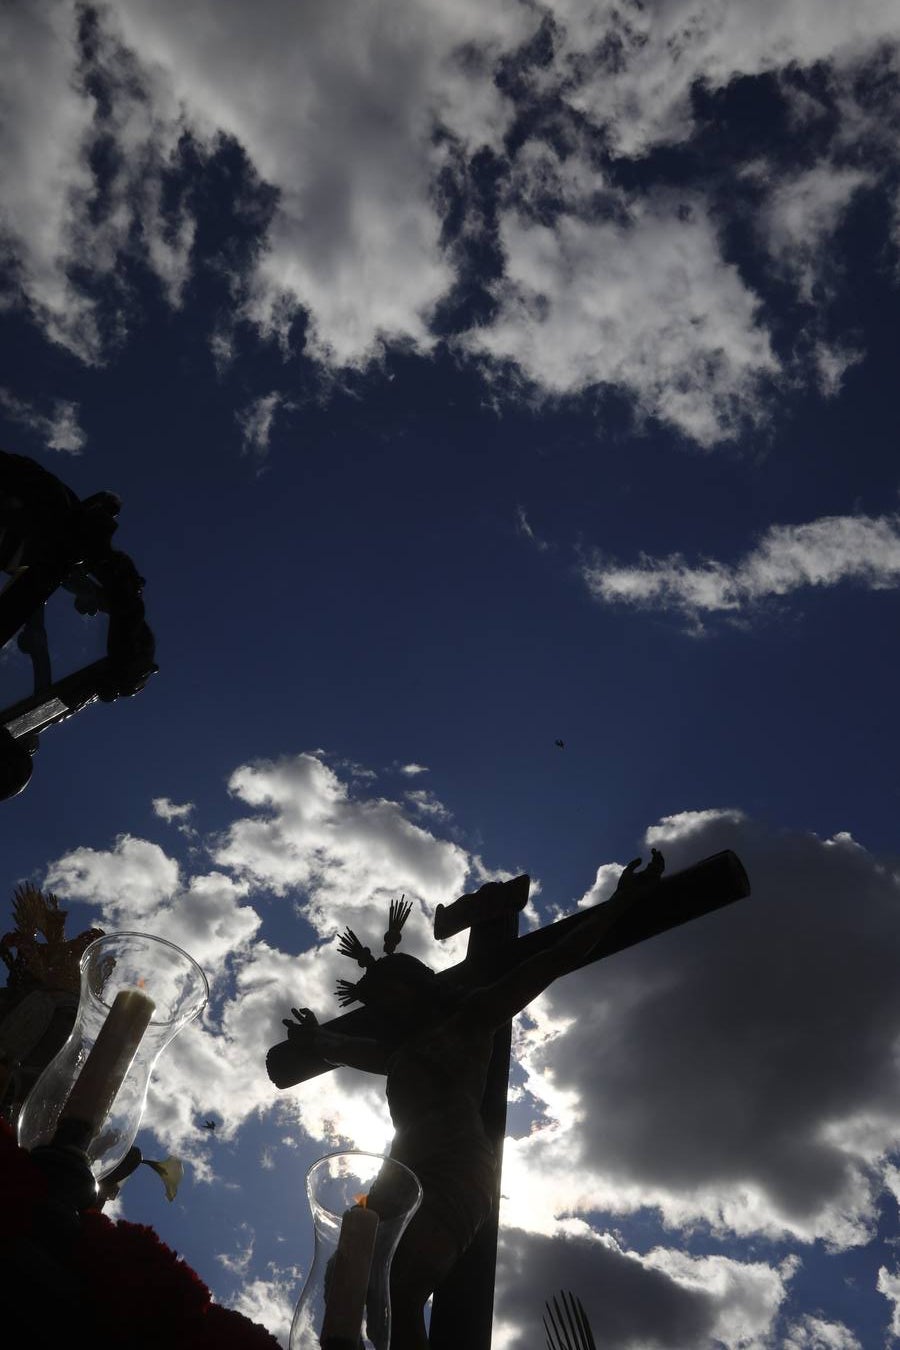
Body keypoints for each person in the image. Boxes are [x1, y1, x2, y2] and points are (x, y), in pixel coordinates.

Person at [282, 849, 665, 1350]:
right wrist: (316, 1039)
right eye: (374, 1004)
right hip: (399, 1170)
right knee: (349, 1284)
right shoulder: (397, 1053)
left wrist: (619, 905)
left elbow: (552, 960)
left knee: (400, 1285)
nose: (380, 1012)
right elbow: (342, 1046)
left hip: (454, 1166)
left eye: (386, 998)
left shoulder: (469, 1018)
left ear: (413, 985)